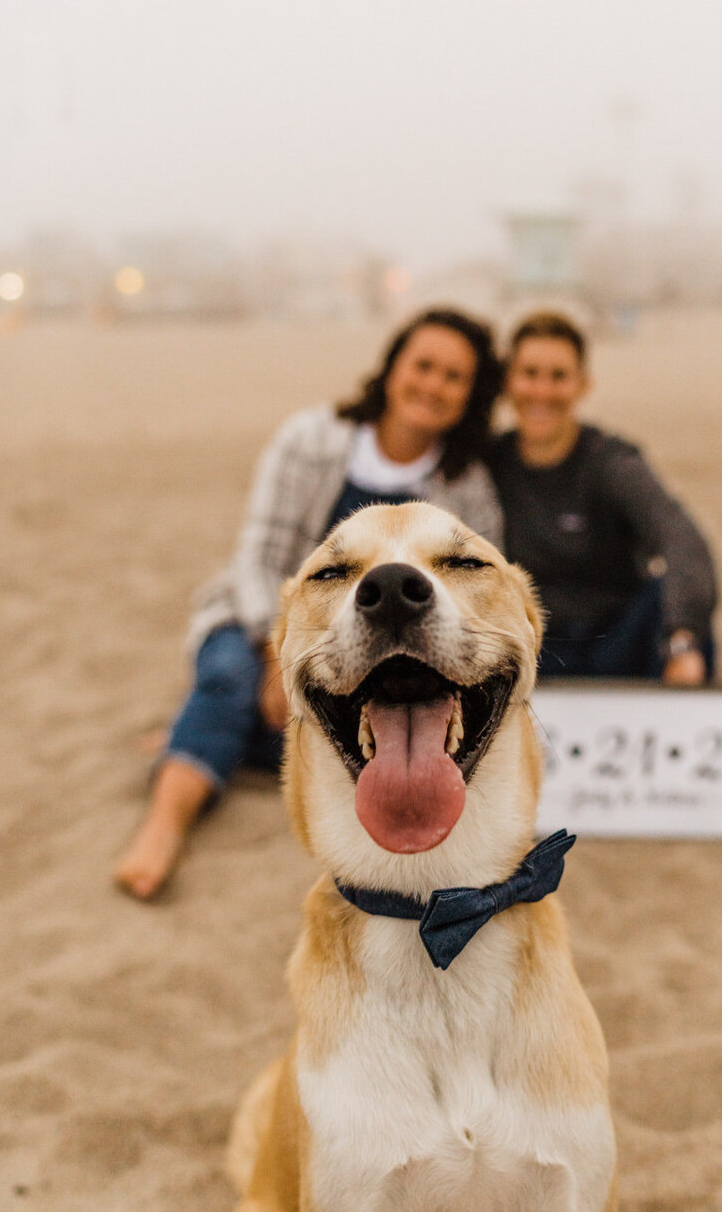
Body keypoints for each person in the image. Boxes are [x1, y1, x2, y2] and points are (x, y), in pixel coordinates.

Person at [114, 308, 503, 900]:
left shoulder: (467, 486)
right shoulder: (311, 440)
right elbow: (260, 559)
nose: (433, 385)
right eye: (423, 365)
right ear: (392, 366)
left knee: (337, 734)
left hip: (381, 649)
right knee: (228, 678)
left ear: (470, 395)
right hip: (262, 621)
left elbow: (476, 595)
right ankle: (164, 825)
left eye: (454, 377)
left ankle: (192, 733)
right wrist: (277, 653)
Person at [487, 310, 717, 685]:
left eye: (558, 376)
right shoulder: (487, 463)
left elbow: (681, 539)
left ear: (583, 385)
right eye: (529, 374)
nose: (542, 391)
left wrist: (683, 638)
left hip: (616, 643)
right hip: (529, 647)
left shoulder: (613, 463)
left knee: (674, 599)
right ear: (509, 382)